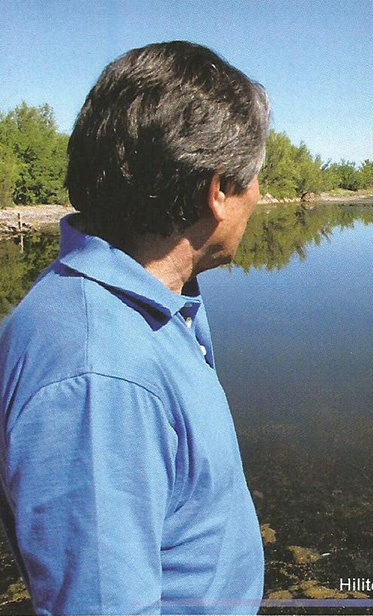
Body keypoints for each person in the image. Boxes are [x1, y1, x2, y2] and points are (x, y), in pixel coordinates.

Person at [0, 41, 271, 615]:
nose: (260, 196)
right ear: (217, 191)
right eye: (254, 179)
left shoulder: (137, 310)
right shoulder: (99, 375)